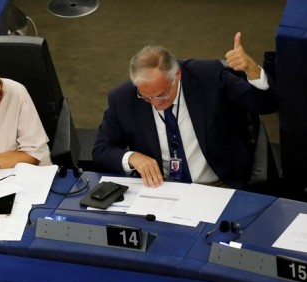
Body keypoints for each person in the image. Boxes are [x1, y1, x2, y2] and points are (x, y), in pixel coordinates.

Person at [92, 32, 278, 189]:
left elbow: (266, 104)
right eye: (146, 97)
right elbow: (101, 151)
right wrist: (133, 157)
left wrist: (252, 70)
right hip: (162, 190)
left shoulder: (209, 77)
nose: (155, 103)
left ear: (177, 76)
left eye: (161, 95)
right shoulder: (123, 98)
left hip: (218, 186)